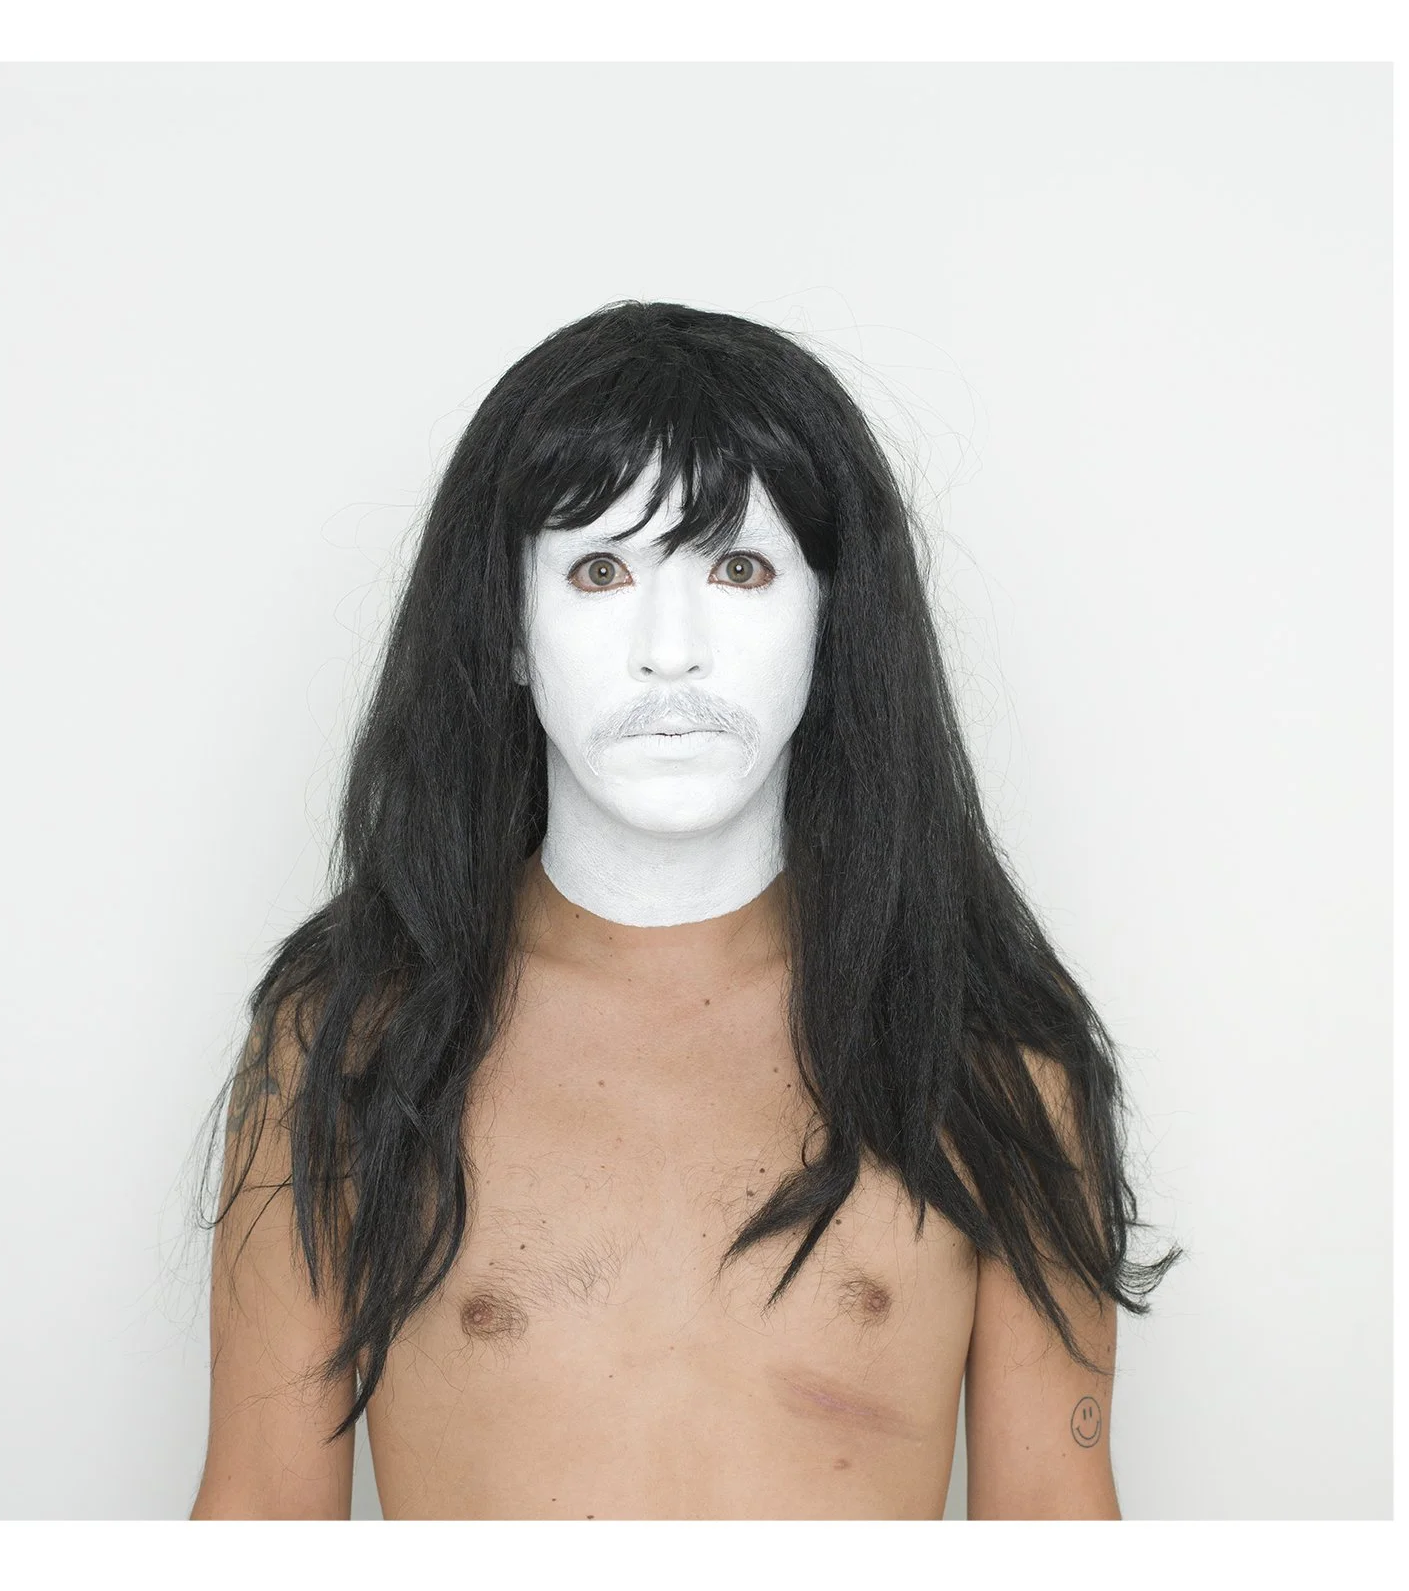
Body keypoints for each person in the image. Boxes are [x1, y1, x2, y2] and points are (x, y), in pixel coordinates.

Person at [188, 300, 1178, 1521]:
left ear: (831, 621)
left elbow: (1058, 1525)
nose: (671, 651)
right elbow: (257, 1514)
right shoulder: (348, 1034)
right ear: (507, 626)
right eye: (600, 571)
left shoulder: (988, 1044)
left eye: (739, 568)